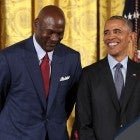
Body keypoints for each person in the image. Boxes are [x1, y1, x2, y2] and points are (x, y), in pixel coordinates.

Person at [0, 5, 82, 140]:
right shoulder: (9, 58)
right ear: (36, 24)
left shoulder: (71, 58)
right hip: (16, 135)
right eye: (50, 32)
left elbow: (69, 101)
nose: (55, 38)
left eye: (60, 33)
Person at [72, 15, 140, 140]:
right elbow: (83, 124)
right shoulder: (89, 74)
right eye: (106, 32)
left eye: (117, 31)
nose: (110, 37)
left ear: (131, 37)